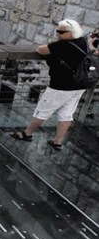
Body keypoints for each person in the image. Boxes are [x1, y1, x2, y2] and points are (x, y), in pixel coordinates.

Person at [11, 18, 98, 150]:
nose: (58, 34)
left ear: (71, 32)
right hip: (79, 85)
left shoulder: (61, 46)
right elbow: (91, 50)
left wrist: (53, 45)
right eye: (57, 31)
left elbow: (41, 49)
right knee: (67, 113)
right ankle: (58, 141)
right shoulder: (82, 42)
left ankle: (27, 134)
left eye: (61, 32)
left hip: (60, 86)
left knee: (42, 111)